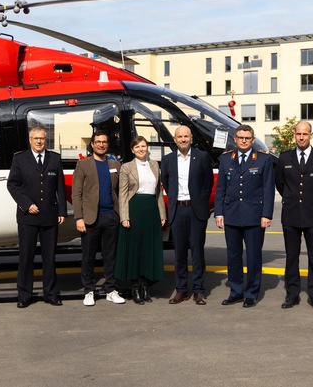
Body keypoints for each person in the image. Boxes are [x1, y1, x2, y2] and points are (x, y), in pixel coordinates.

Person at [214, 124, 274, 308]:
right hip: (231, 214)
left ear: (253, 140)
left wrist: (266, 214)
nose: (243, 140)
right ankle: (236, 291)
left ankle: (251, 293)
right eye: (240, 137)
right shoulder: (225, 160)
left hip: (254, 216)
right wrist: (218, 213)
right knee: (233, 256)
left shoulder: (263, 160)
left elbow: (268, 189)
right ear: (235, 139)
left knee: (254, 257)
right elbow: (221, 188)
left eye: (247, 138)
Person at [7, 125, 66, 308]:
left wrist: (62, 211)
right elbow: (12, 185)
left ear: (45, 140)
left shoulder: (54, 159)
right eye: (36, 139)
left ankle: (51, 294)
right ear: (30, 140)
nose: (39, 142)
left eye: (42, 139)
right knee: (26, 257)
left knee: (50, 257)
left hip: (49, 215)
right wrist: (26, 204)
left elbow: (60, 187)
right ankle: (24, 295)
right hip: (28, 217)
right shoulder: (19, 159)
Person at [275, 121, 313, 311]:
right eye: (298, 134)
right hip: (290, 214)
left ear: (311, 135)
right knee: (292, 256)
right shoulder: (284, 158)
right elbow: (280, 184)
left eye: (305, 134)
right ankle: (292, 295)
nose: (301, 137)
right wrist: (291, 198)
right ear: (294, 135)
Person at [72, 130, 126, 306]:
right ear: (92, 144)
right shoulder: (83, 165)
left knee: (111, 256)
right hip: (90, 218)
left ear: (107, 144)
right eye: (98, 142)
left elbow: (120, 191)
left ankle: (111, 289)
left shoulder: (115, 165)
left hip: (111, 216)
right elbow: (76, 193)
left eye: (104, 142)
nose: (101, 144)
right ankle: (89, 290)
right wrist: (79, 218)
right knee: (88, 257)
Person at [161, 125, 213, 305]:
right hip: (177, 210)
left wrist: (198, 201)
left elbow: (208, 184)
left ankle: (198, 290)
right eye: (179, 137)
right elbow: (167, 183)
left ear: (191, 138)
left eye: (186, 136)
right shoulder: (167, 160)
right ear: (175, 139)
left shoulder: (202, 157)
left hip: (196, 210)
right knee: (179, 253)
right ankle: (181, 290)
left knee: (198, 252)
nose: (183, 139)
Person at [115, 136, 166, 304]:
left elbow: (158, 193)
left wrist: (162, 215)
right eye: (137, 147)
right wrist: (124, 217)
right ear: (132, 150)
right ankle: (135, 287)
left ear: (147, 147)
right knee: (135, 249)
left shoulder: (155, 165)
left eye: (143, 146)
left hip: (151, 210)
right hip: (135, 209)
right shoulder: (126, 167)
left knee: (148, 249)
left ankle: (145, 286)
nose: (141, 149)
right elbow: (122, 194)